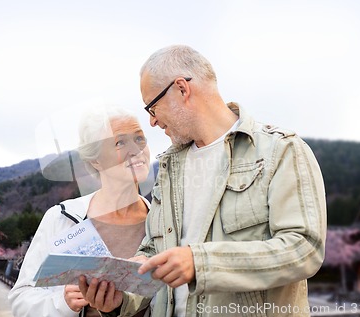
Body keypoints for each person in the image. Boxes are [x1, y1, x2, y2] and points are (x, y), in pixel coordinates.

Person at [79, 45, 327, 317]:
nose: (152, 122)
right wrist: (120, 299)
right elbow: (153, 253)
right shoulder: (169, 167)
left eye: (152, 107)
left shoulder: (281, 151)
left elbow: (304, 248)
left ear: (182, 89)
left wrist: (201, 263)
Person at [8, 106, 152, 317]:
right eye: (120, 142)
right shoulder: (61, 218)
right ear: (96, 160)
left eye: (139, 139)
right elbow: (20, 300)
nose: (136, 149)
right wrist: (64, 303)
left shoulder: (161, 221)